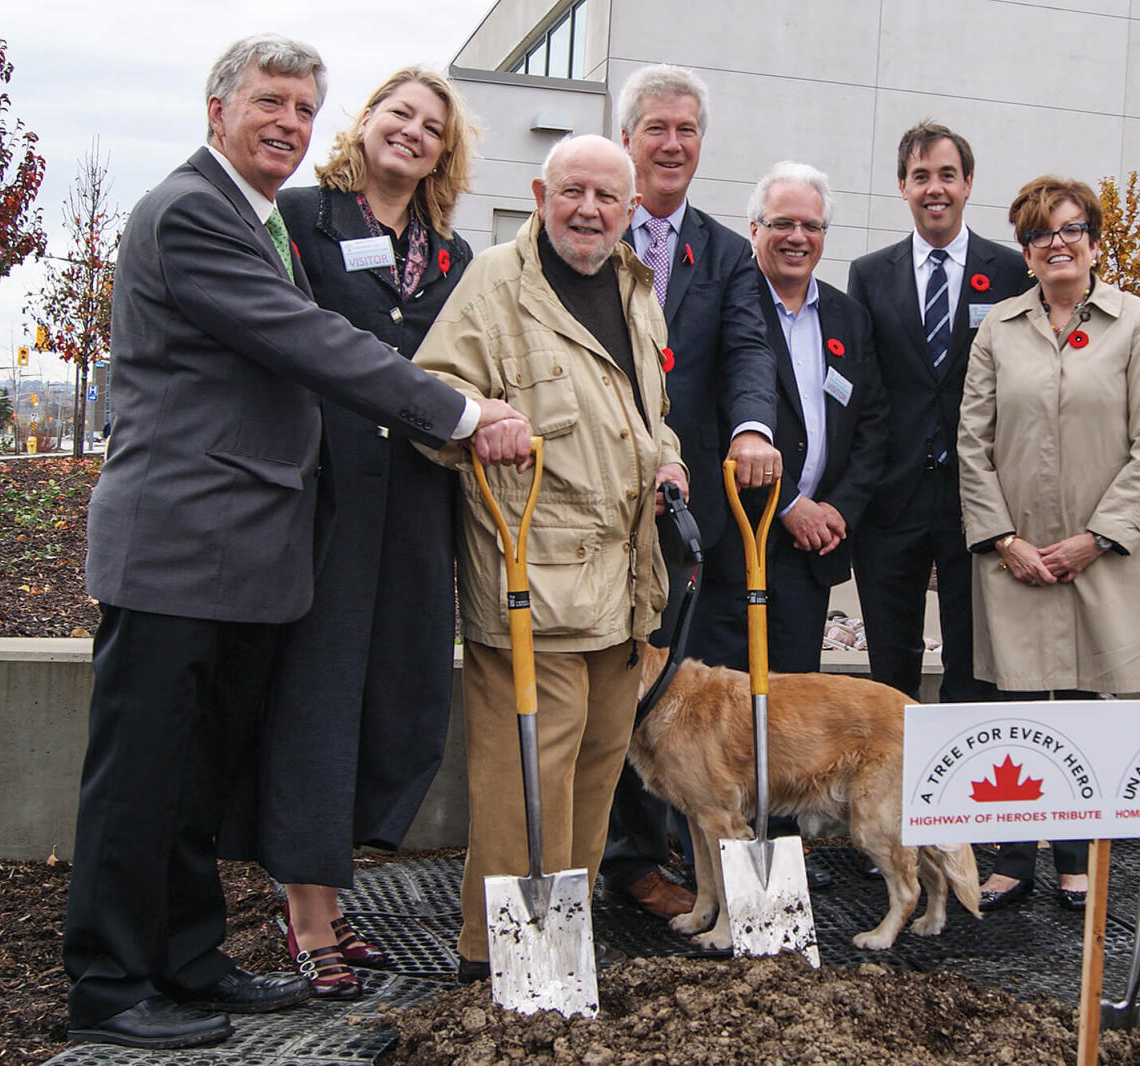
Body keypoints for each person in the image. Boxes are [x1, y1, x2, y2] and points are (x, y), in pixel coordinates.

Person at [63, 34, 527, 1051]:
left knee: (194, 778)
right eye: (269, 101)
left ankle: (184, 961)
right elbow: (307, 337)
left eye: (302, 108)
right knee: (139, 778)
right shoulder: (193, 211)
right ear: (217, 107)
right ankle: (106, 981)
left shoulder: (256, 214)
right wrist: (453, 410)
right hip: (177, 548)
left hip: (242, 556)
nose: (287, 121)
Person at [412, 133, 687, 984]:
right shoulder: (498, 282)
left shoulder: (636, 289)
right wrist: (479, 414)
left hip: (624, 584)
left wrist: (668, 454)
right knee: (525, 779)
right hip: (532, 576)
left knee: (599, 770)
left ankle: (559, 944)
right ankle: (494, 956)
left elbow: (647, 411)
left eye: (608, 198)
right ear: (541, 192)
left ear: (630, 209)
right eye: (573, 191)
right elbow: (432, 390)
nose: (589, 210)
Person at [242, 67, 479, 1000]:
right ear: (367, 123)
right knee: (320, 692)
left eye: (432, 126)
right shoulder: (303, 220)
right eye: (399, 114)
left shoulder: (453, 258)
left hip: (418, 502)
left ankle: (334, 895)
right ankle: (306, 914)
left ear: (443, 152)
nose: (412, 133)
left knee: (398, 691)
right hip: (329, 497)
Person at [958, 175, 1140, 911]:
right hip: (1014, 559)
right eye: (1041, 234)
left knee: (1084, 703)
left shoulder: (1138, 324)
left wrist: (1095, 539)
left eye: (1072, 229)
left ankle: (1078, 857)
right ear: (1024, 251)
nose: (1058, 243)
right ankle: (1015, 857)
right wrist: (1004, 540)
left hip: (1103, 557)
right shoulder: (999, 330)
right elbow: (972, 444)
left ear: (1095, 241)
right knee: (1017, 705)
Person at [601, 63, 781, 920]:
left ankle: (690, 847)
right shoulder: (592, 225)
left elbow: (750, 351)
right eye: (656, 128)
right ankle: (632, 857)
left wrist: (753, 428)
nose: (672, 145)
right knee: (622, 680)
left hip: (692, 511)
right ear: (628, 136)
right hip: (601, 497)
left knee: (682, 682)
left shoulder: (729, 253)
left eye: (687, 131)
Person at [845, 122, 1029, 707]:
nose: (935, 189)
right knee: (889, 671)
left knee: (973, 667)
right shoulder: (870, 275)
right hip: (891, 499)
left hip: (977, 499)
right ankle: (892, 793)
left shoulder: (1009, 273)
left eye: (947, 175)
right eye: (920, 176)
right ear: (902, 186)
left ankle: (962, 790)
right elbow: (868, 390)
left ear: (968, 183)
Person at [690, 161, 888, 676]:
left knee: (794, 709)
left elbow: (871, 426)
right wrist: (790, 504)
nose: (797, 237)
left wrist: (837, 510)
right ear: (754, 230)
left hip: (811, 551)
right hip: (736, 544)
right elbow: (711, 422)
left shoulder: (850, 317)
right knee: (723, 714)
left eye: (811, 226)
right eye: (782, 223)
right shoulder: (727, 307)